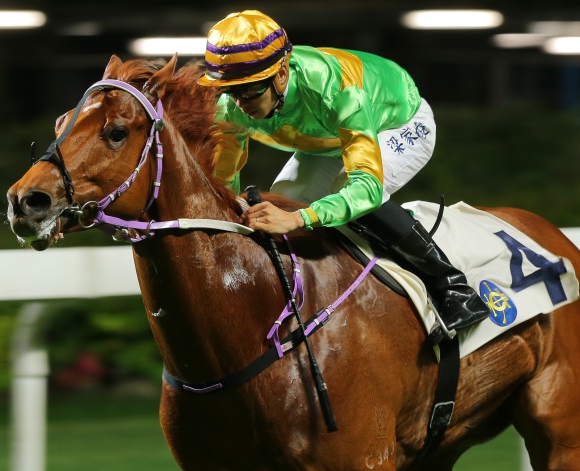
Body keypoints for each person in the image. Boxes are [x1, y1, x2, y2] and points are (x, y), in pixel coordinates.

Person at [197, 10, 489, 333]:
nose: (239, 104)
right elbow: (221, 181)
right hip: (330, 138)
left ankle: (453, 288)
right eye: (230, 91)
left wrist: (300, 217)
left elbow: (367, 188)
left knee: (345, 200)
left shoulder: (336, 90)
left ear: (281, 74)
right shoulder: (232, 106)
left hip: (397, 124)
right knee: (279, 206)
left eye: (249, 90)